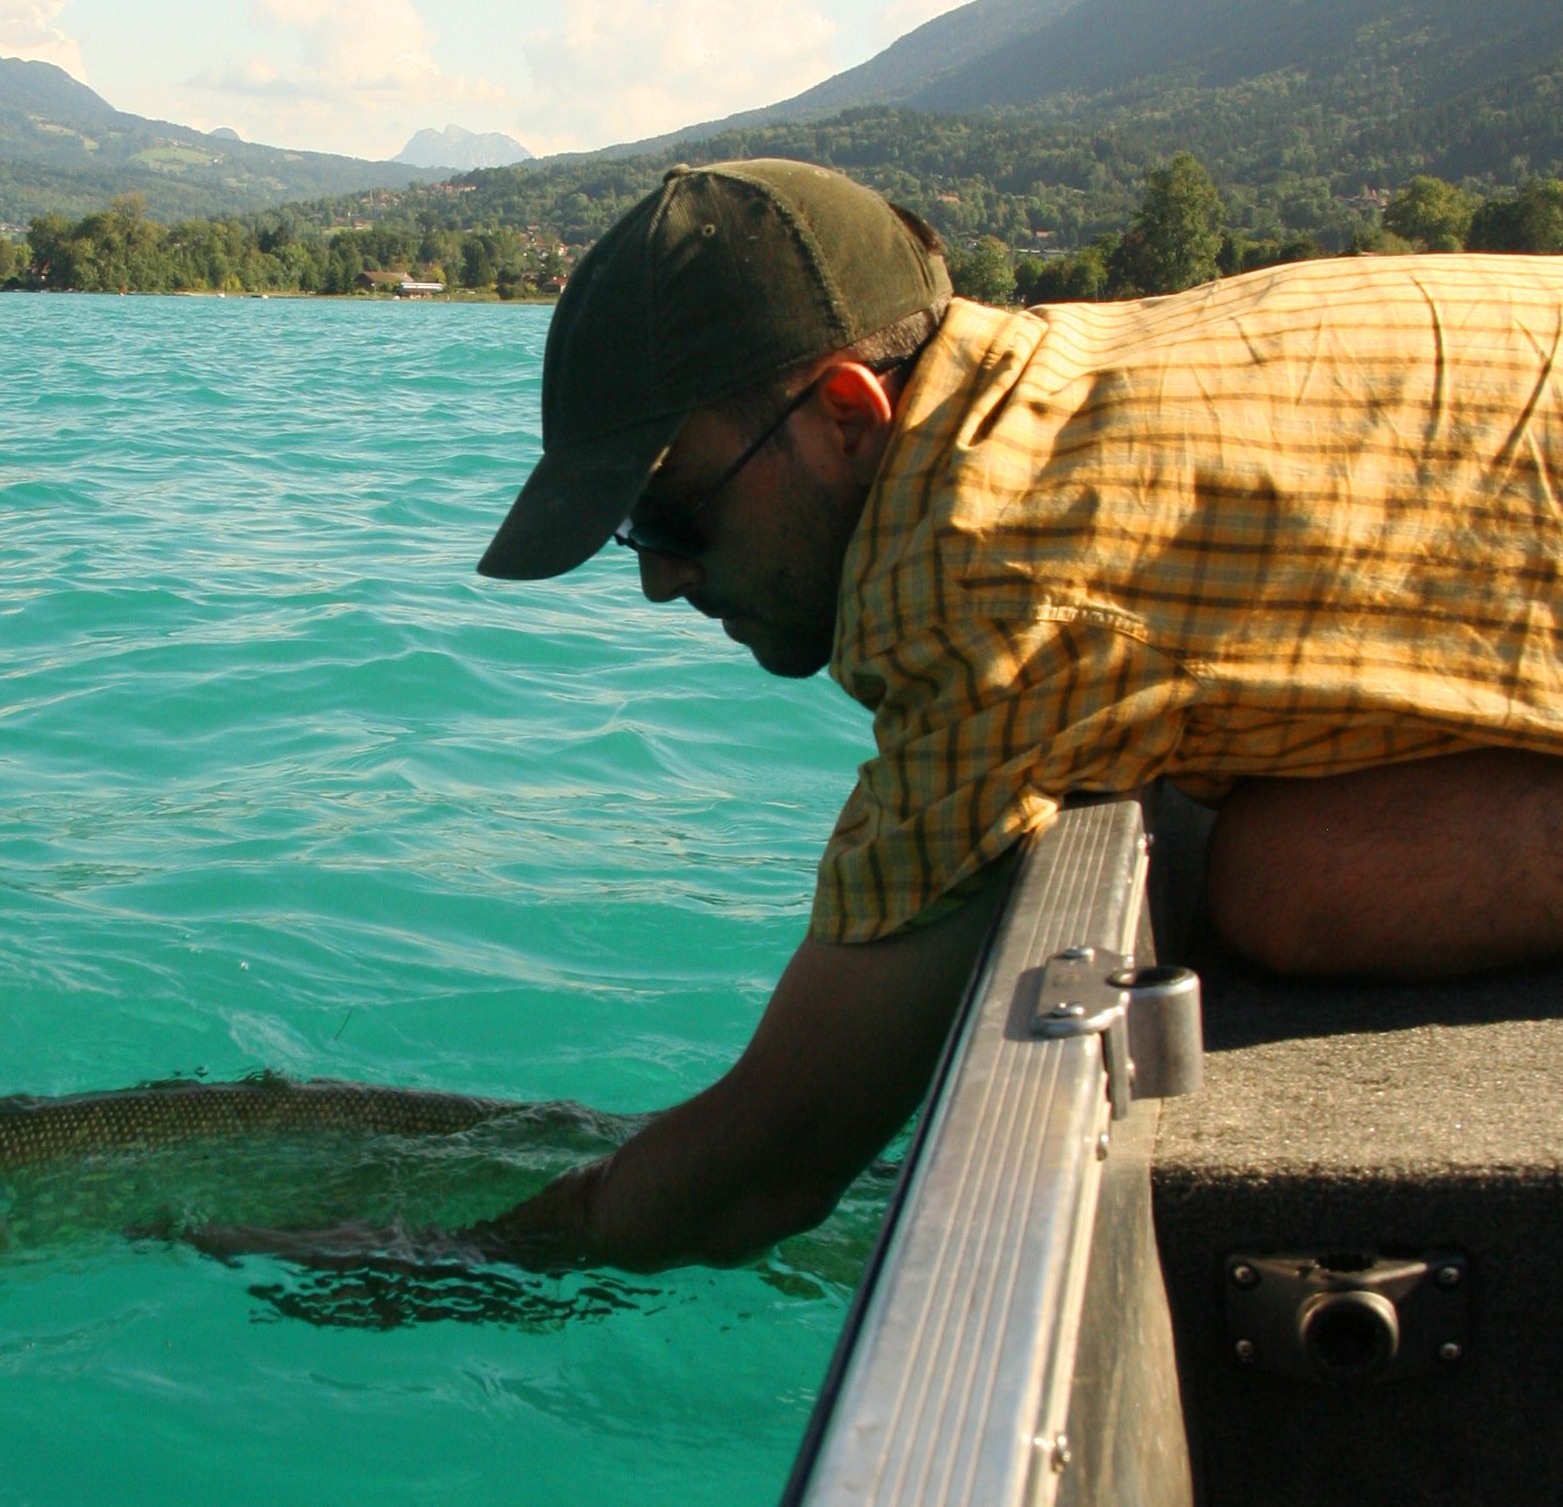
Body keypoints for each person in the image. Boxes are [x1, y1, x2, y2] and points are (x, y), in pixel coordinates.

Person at [474, 158, 1563, 1271]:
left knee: (1283, 891)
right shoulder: (1039, 374)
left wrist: (413, 1258)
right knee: (1290, 871)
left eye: (671, 513)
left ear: (846, 413)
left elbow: (765, 1170)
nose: (658, 580)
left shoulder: (981, 564)